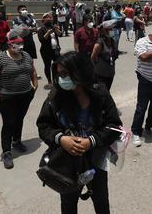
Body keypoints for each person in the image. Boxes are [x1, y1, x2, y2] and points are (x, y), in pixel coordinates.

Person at [36, 51, 122, 214]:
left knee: (101, 201)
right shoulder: (55, 97)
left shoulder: (100, 93)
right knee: (68, 203)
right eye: (59, 74)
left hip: (96, 161)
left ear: (80, 72)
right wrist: (61, 139)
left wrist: (91, 141)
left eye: (65, 74)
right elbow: (43, 126)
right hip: (67, 164)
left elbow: (114, 126)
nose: (62, 78)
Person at [0, 27, 38, 169]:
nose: (20, 47)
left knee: (19, 119)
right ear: (10, 44)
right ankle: (6, 152)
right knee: (8, 123)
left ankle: (17, 141)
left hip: (26, 94)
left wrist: (35, 85)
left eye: (21, 44)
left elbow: (32, 71)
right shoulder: (0, 58)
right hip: (7, 96)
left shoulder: (26, 55)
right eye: (17, 45)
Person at [91, 20, 118, 90]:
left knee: (107, 91)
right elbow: (93, 57)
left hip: (110, 73)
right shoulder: (99, 43)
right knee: (102, 94)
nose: (112, 31)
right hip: (101, 74)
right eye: (109, 29)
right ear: (104, 30)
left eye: (112, 29)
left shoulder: (112, 41)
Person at [37, 13, 62, 89]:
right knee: (47, 66)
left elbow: (60, 34)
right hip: (45, 51)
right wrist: (48, 33)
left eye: (50, 17)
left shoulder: (54, 27)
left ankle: (55, 81)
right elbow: (41, 40)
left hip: (55, 50)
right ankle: (49, 81)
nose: (49, 18)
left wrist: (57, 29)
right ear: (43, 19)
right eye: (47, 17)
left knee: (56, 65)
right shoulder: (41, 29)